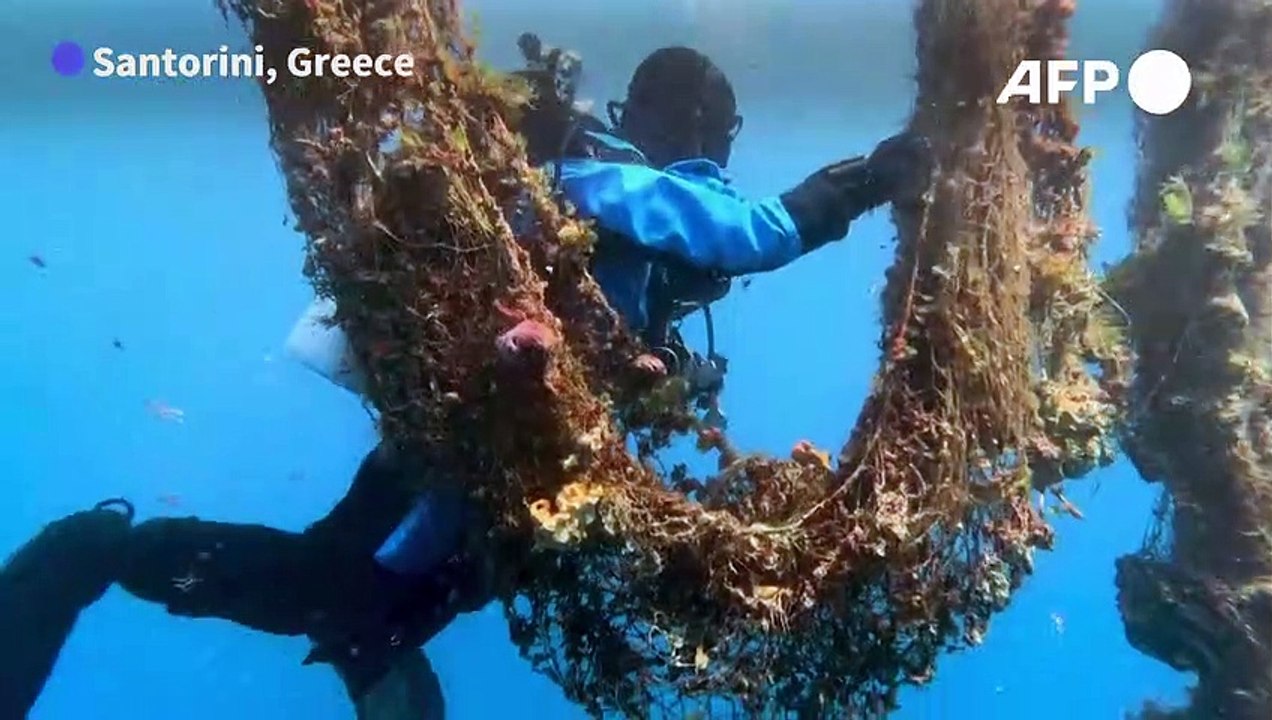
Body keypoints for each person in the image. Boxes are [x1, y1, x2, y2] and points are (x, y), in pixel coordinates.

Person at [0, 42, 931, 719]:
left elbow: (626, 350)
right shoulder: (607, 176)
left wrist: (669, 372)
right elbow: (749, 234)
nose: (719, 159)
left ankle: (315, 633)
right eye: (719, 135)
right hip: (467, 455)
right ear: (689, 123)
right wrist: (871, 178)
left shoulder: (615, 207)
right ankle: (99, 551)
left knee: (371, 615)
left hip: (494, 474)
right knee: (338, 588)